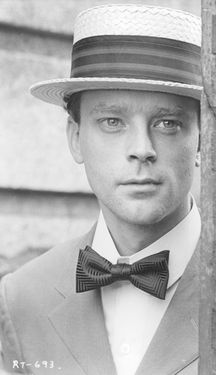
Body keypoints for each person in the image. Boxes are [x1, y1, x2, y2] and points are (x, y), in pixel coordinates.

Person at [0, 4, 202, 375]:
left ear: (202, 137)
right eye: (112, 121)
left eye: (168, 122)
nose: (142, 148)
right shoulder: (21, 299)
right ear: (76, 138)